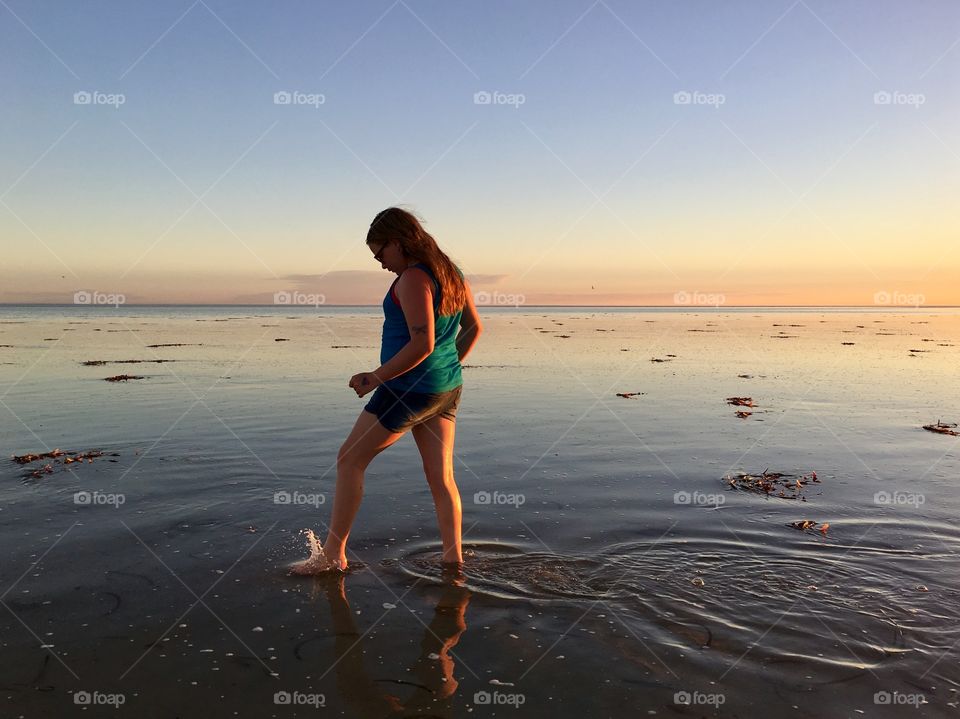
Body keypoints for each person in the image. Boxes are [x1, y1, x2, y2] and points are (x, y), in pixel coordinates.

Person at [292, 207, 482, 574]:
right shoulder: (452, 274)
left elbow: (422, 343)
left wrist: (376, 377)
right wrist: (447, 368)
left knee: (349, 461)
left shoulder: (413, 279)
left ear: (398, 242)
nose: (380, 264)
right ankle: (452, 560)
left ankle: (333, 555)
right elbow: (473, 328)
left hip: (405, 391)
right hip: (445, 390)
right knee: (441, 478)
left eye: (380, 253)